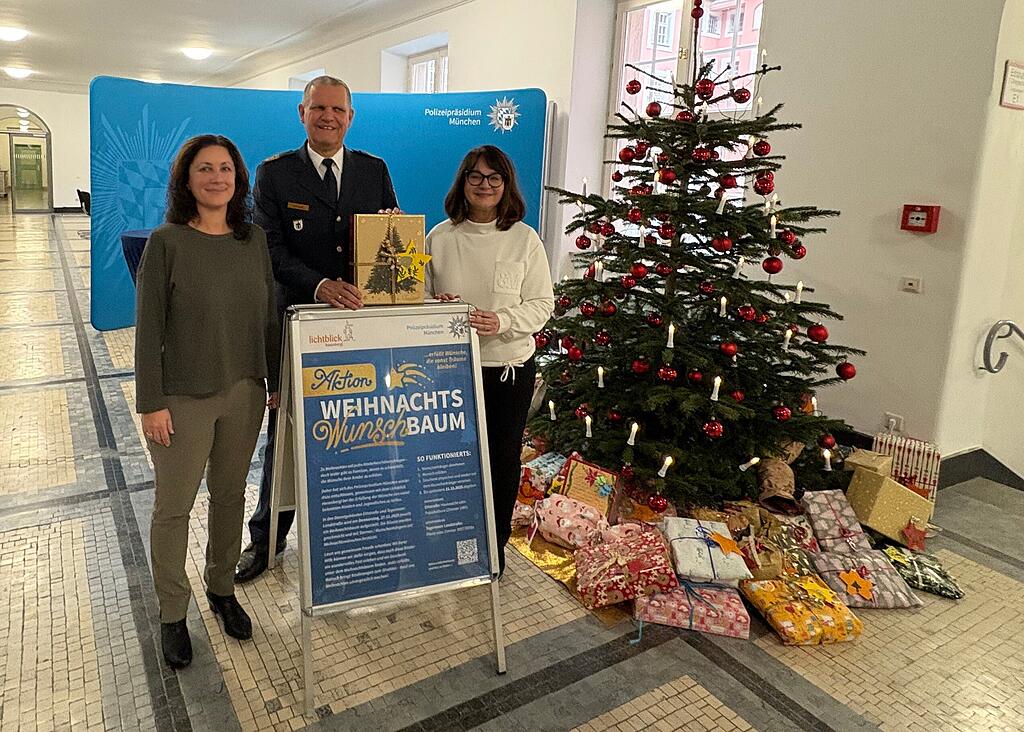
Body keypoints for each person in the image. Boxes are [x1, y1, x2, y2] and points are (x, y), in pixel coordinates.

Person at [234, 75, 399, 583]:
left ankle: (352, 530)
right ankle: (267, 538)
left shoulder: (374, 170)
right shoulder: (275, 173)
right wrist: (320, 284)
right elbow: (269, 248)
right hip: (299, 322)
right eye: (319, 108)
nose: (328, 117)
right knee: (285, 435)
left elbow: (389, 239)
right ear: (302, 113)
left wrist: (393, 230)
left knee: (360, 426)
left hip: (360, 325)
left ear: (351, 117)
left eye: (338, 110)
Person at [135, 134, 280, 669]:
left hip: (244, 392)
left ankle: (221, 588)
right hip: (181, 397)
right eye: (205, 168)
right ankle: (173, 612)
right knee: (173, 507)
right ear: (186, 179)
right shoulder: (166, 242)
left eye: (225, 169)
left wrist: (275, 379)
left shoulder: (253, 240)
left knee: (230, 496)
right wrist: (151, 402)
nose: (216, 178)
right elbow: (149, 329)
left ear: (238, 179)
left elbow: (268, 315)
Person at [425, 145, 554, 576]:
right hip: (450, 369)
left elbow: (542, 304)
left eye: (494, 178)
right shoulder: (440, 237)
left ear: (506, 185)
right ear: (463, 182)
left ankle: (493, 547)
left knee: (501, 461)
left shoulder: (524, 238)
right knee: (450, 461)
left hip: (508, 371)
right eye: (476, 176)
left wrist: (502, 320)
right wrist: (436, 305)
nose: (485, 185)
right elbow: (417, 297)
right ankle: (448, 542)